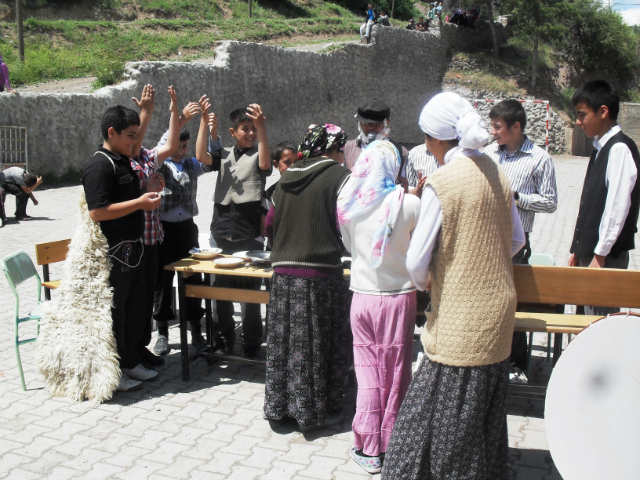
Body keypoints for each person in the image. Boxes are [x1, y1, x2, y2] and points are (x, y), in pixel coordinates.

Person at [382, 92, 526, 478]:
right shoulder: (498, 172)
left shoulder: (442, 182)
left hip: (461, 318)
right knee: (482, 411)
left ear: (434, 139)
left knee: (444, 414)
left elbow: (416, 261)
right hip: (498, 311)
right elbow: (517, 241)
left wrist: (434, 279)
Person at [337, 141, 421, 475]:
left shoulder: (349, 203)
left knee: (368, 373)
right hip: (400, 297)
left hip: (362, 297)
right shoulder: (411, 204)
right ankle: (393, 443)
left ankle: (367, 447)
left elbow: (349, 246)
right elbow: (420, 248)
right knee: (396, 371)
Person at [263, 124, 351, 431]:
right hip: (320, 275)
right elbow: (348, 225)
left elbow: (270, 224)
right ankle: (318, 412)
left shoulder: (286, 177)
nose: (343, 155)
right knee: (319, 343)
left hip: (283, 276)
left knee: (286, 343)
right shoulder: (340, 177)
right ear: (334, 148)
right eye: (342, 149)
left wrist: (284, 248)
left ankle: (282, 410)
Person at [82, 105, 164, 392]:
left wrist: (145, 192)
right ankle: (113, 372)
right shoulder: (100, 165)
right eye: (130, 136)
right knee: (117, 314)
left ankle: (129, 362)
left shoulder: (123, 160)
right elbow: (98, 212)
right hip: (114, 254)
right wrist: (141, 203)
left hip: (133, 249)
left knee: (135, 309)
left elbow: (127, 199)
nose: (135, 141)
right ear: (111, 133)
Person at [484, 99, 558, 382]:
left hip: (516, 242)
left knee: (511, 303)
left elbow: (550, 202)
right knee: (488, 301)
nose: (493, 132)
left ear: (516, 126)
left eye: (498, 126)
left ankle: (515, 363)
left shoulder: (540, 158)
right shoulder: (489, 153)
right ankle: (489, 358)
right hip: (486, 238)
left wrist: (518, 199)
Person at [198, 104, 272, 358]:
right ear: (234, 131)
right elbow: (200, 156)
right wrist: (204, 124)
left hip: (248, 233)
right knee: (220, 293)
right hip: (221, 231)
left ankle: (251, 341)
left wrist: (262, 128)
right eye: (246, 129)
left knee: (249, 293)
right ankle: (225, 338)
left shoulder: (260, 152)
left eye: (253, 129)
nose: (250, 133)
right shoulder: (223, 154)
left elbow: (264, 163)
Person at [569, 80, 639, 316]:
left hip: (606, 256)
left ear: (603, 111)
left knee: (601, 324)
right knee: (587, 321)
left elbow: (617, 207)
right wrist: (579, 250)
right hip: (594, 252)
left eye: (582, 115)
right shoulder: (602, 147)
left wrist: (600, 255)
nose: (578, 122)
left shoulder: (619, 149)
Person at [150, 95, 213, 356]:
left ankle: (195, 329)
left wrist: (205, 124)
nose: (180, 150)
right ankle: (163, 330)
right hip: (163, 229)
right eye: (178, 144)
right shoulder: (160, 162)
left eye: (184, 146)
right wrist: (182, 117)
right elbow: (163, 141)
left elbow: (206, 157)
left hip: (186, 228)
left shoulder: (191, 163)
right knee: (163, 281)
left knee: (191, 278)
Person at [343, 98, 409, 180]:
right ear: (359, 123)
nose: (370, 127)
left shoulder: (400, 152)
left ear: (386, 122)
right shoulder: (346, 148)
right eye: (365, 123)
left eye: (376, 123)